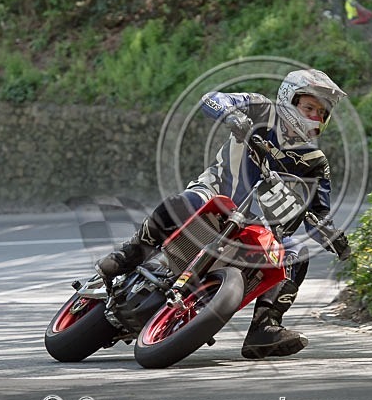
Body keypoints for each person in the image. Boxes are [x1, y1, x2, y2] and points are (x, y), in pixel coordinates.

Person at [96, 69, 352, 360]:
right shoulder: (260, 109)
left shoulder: (316, 162)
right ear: (288, 99)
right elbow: (212, 98)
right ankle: (132, 250)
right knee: (187, 201)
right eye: (309, 108)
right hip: (215, 195)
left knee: (295, 252)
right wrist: (231, 115)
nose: (315, 117)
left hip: (259, 229)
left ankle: (264, 327)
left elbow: (319, 212)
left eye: (321, 112)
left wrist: (334, 237)